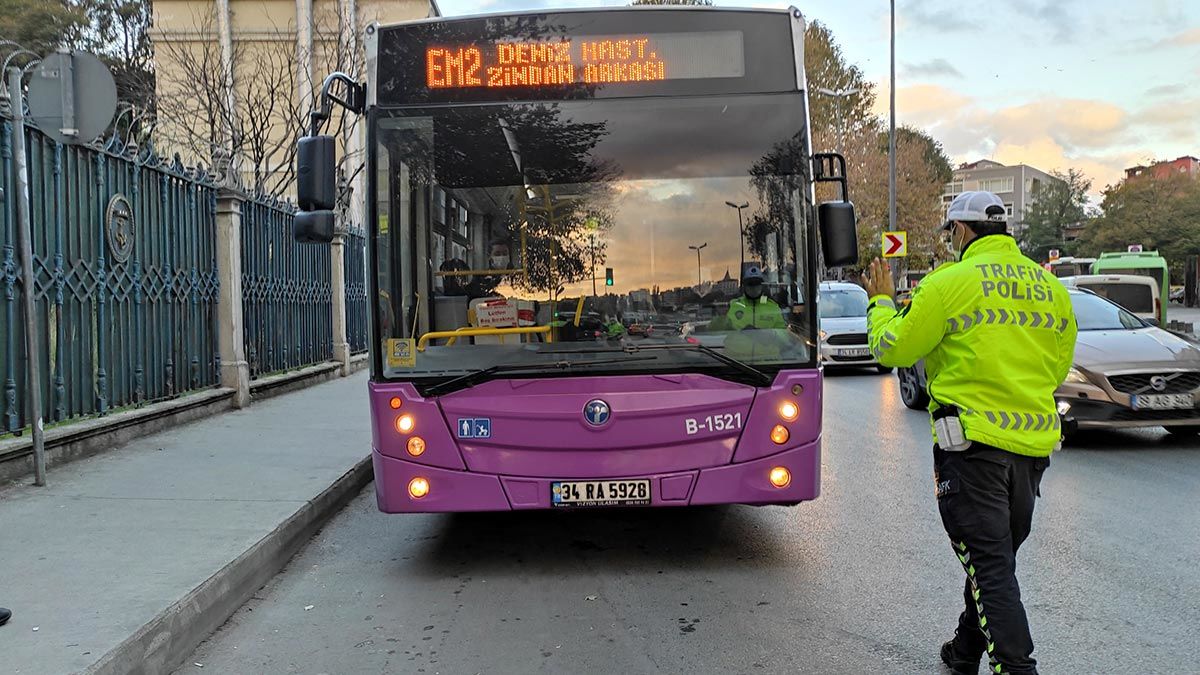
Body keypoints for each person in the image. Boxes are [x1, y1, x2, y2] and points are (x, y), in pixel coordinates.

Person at [862, 191, 1076, 675]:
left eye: (949, 234)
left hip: (972, 452)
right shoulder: (1051, 290)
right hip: (1031, 454)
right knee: (993, 561)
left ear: (960, 232)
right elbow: (1057, 366)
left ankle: (1017, 668)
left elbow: (892, 348)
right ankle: (963, 651)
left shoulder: (948, 284)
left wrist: (878, 303)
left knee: (990, 566)